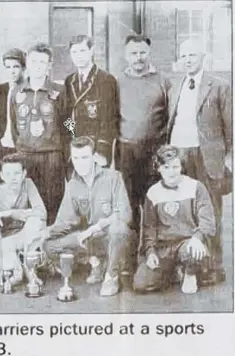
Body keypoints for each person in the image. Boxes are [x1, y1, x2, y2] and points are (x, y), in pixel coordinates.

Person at [30, 136, 133, 297]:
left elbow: (124, 214)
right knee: (49, 244)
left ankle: (111, 275)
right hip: (90, 241)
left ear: (95, 157)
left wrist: (96, 228)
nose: (80, 163)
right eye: (76, 158)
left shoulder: (113, 177)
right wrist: (45, 233)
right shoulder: (73, 185)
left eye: (85, 157)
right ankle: (96, 262)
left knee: (119, 228)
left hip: (111, 237)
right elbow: (65, 222)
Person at [166, 38, 232, 285]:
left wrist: (230, 160)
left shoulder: (219, 86)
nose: (188, 60)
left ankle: (213, 267)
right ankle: (187, 266)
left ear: (203, 56)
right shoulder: (175, 86)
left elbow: (231, 128)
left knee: (210, 213)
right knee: (183, 211)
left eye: (192, 55)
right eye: (184, 56)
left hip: (207, 159)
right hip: (180, 158)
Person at [116, 34, 171, 269]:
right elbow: (107, 118)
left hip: (154, 152)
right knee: (129, 204)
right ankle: (130, 257)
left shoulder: (163, 81)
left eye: (142, 53)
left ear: (149, 53)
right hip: (126, 150)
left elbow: (172, 115)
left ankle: (155, 253)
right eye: (133, 53)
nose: (138, 58)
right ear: (125, 55)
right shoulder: (116, 82)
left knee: (153, 202)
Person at [133, 145, 215, 294]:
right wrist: (151, 252)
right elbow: (149, 228)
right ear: (159, 169)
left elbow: (207, 220)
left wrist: (198, 237)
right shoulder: (153, 193)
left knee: (194, 252)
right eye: (166, 167)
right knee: (141, 284)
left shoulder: (195, 187)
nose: (171, 172)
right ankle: (172, 271)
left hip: (188, 243)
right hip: (164, 248)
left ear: (181, 167)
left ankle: (190, 273)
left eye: (175, 167)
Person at [11, 43, 67, 225]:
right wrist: (21, 145)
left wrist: (66, 146)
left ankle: (50, 244)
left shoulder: (59, 91)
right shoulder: (17, 92)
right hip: (25, 154)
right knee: (27, 202)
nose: (37, 66)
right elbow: (13, 125)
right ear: (27, 63)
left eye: (42, 62)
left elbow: (69, 122)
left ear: (49, 65)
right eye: (34, 61)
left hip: (52, 155)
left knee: (52, 201)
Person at [0, 153, 47, 286]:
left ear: (24, 173)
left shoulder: (28, 184)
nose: (13, 178)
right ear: (1, 175)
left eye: (17, 173)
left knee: (36, 221)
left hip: (25, 237)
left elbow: (42, 213)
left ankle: (29, 268)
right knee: (15, 278)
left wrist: (13, 213)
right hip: (6, 243)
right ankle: (18, 269)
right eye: (8, 174)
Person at [62, 35, 121, 167]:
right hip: (75, 149)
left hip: (95, 149)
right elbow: (67, 115)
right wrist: (70, 139)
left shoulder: (106, 80)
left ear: (91, 51)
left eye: (82, 51)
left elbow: (109, 119)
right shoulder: (69, 81)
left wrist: (102, 151)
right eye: (74, 52)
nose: (78, 56)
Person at [0, 48, 26, 166]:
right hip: (3, 148)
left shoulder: (29, 90)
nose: (12, 71)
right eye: (8, 67)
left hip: (24, 148)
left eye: (16, 67)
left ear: (23, 68)